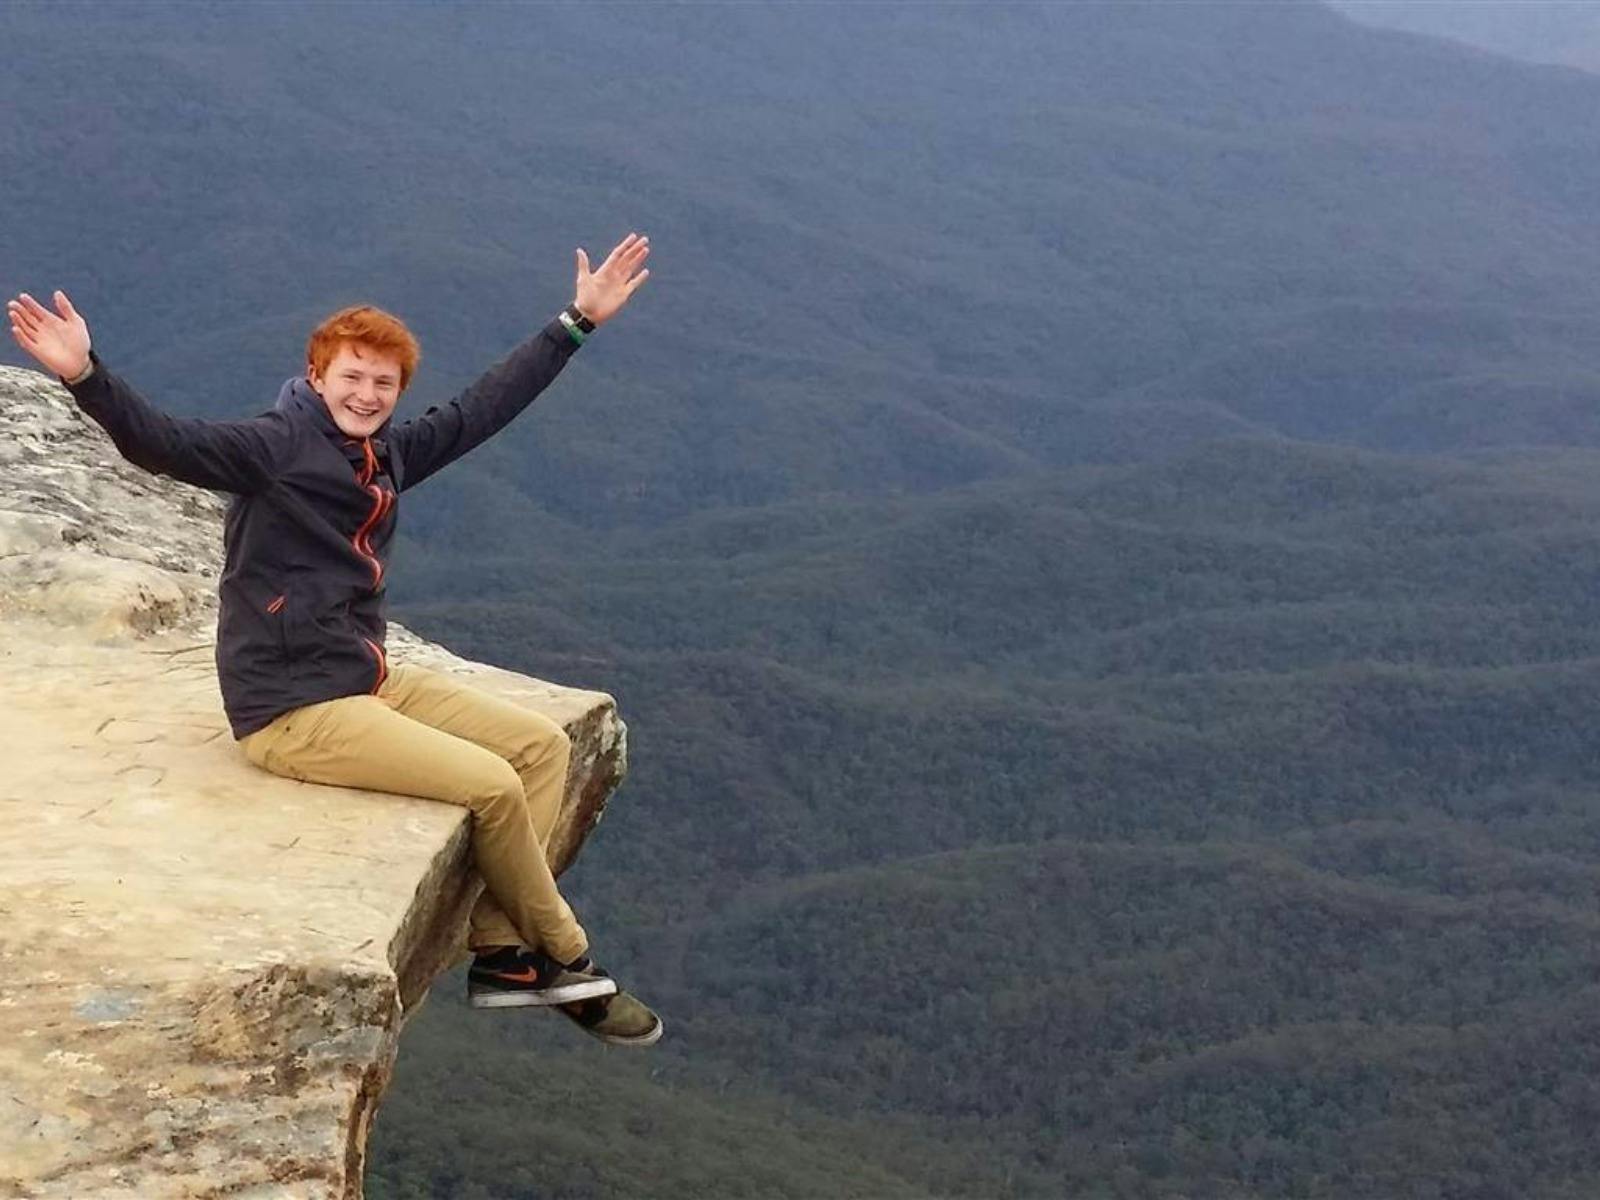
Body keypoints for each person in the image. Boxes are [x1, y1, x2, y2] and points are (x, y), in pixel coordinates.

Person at [6, 233, 661, 1046]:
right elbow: (164, 444)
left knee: (539, 750)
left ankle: (504, 955)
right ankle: (567, 960)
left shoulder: (380, 454)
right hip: (293, 708)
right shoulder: (273, 449)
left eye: (383, 383)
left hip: (364, 674)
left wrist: (575, 323)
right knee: (492, 785)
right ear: (317, 377)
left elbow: (481, 409)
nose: (367, 393)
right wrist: (84, 375)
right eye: (351, 377)